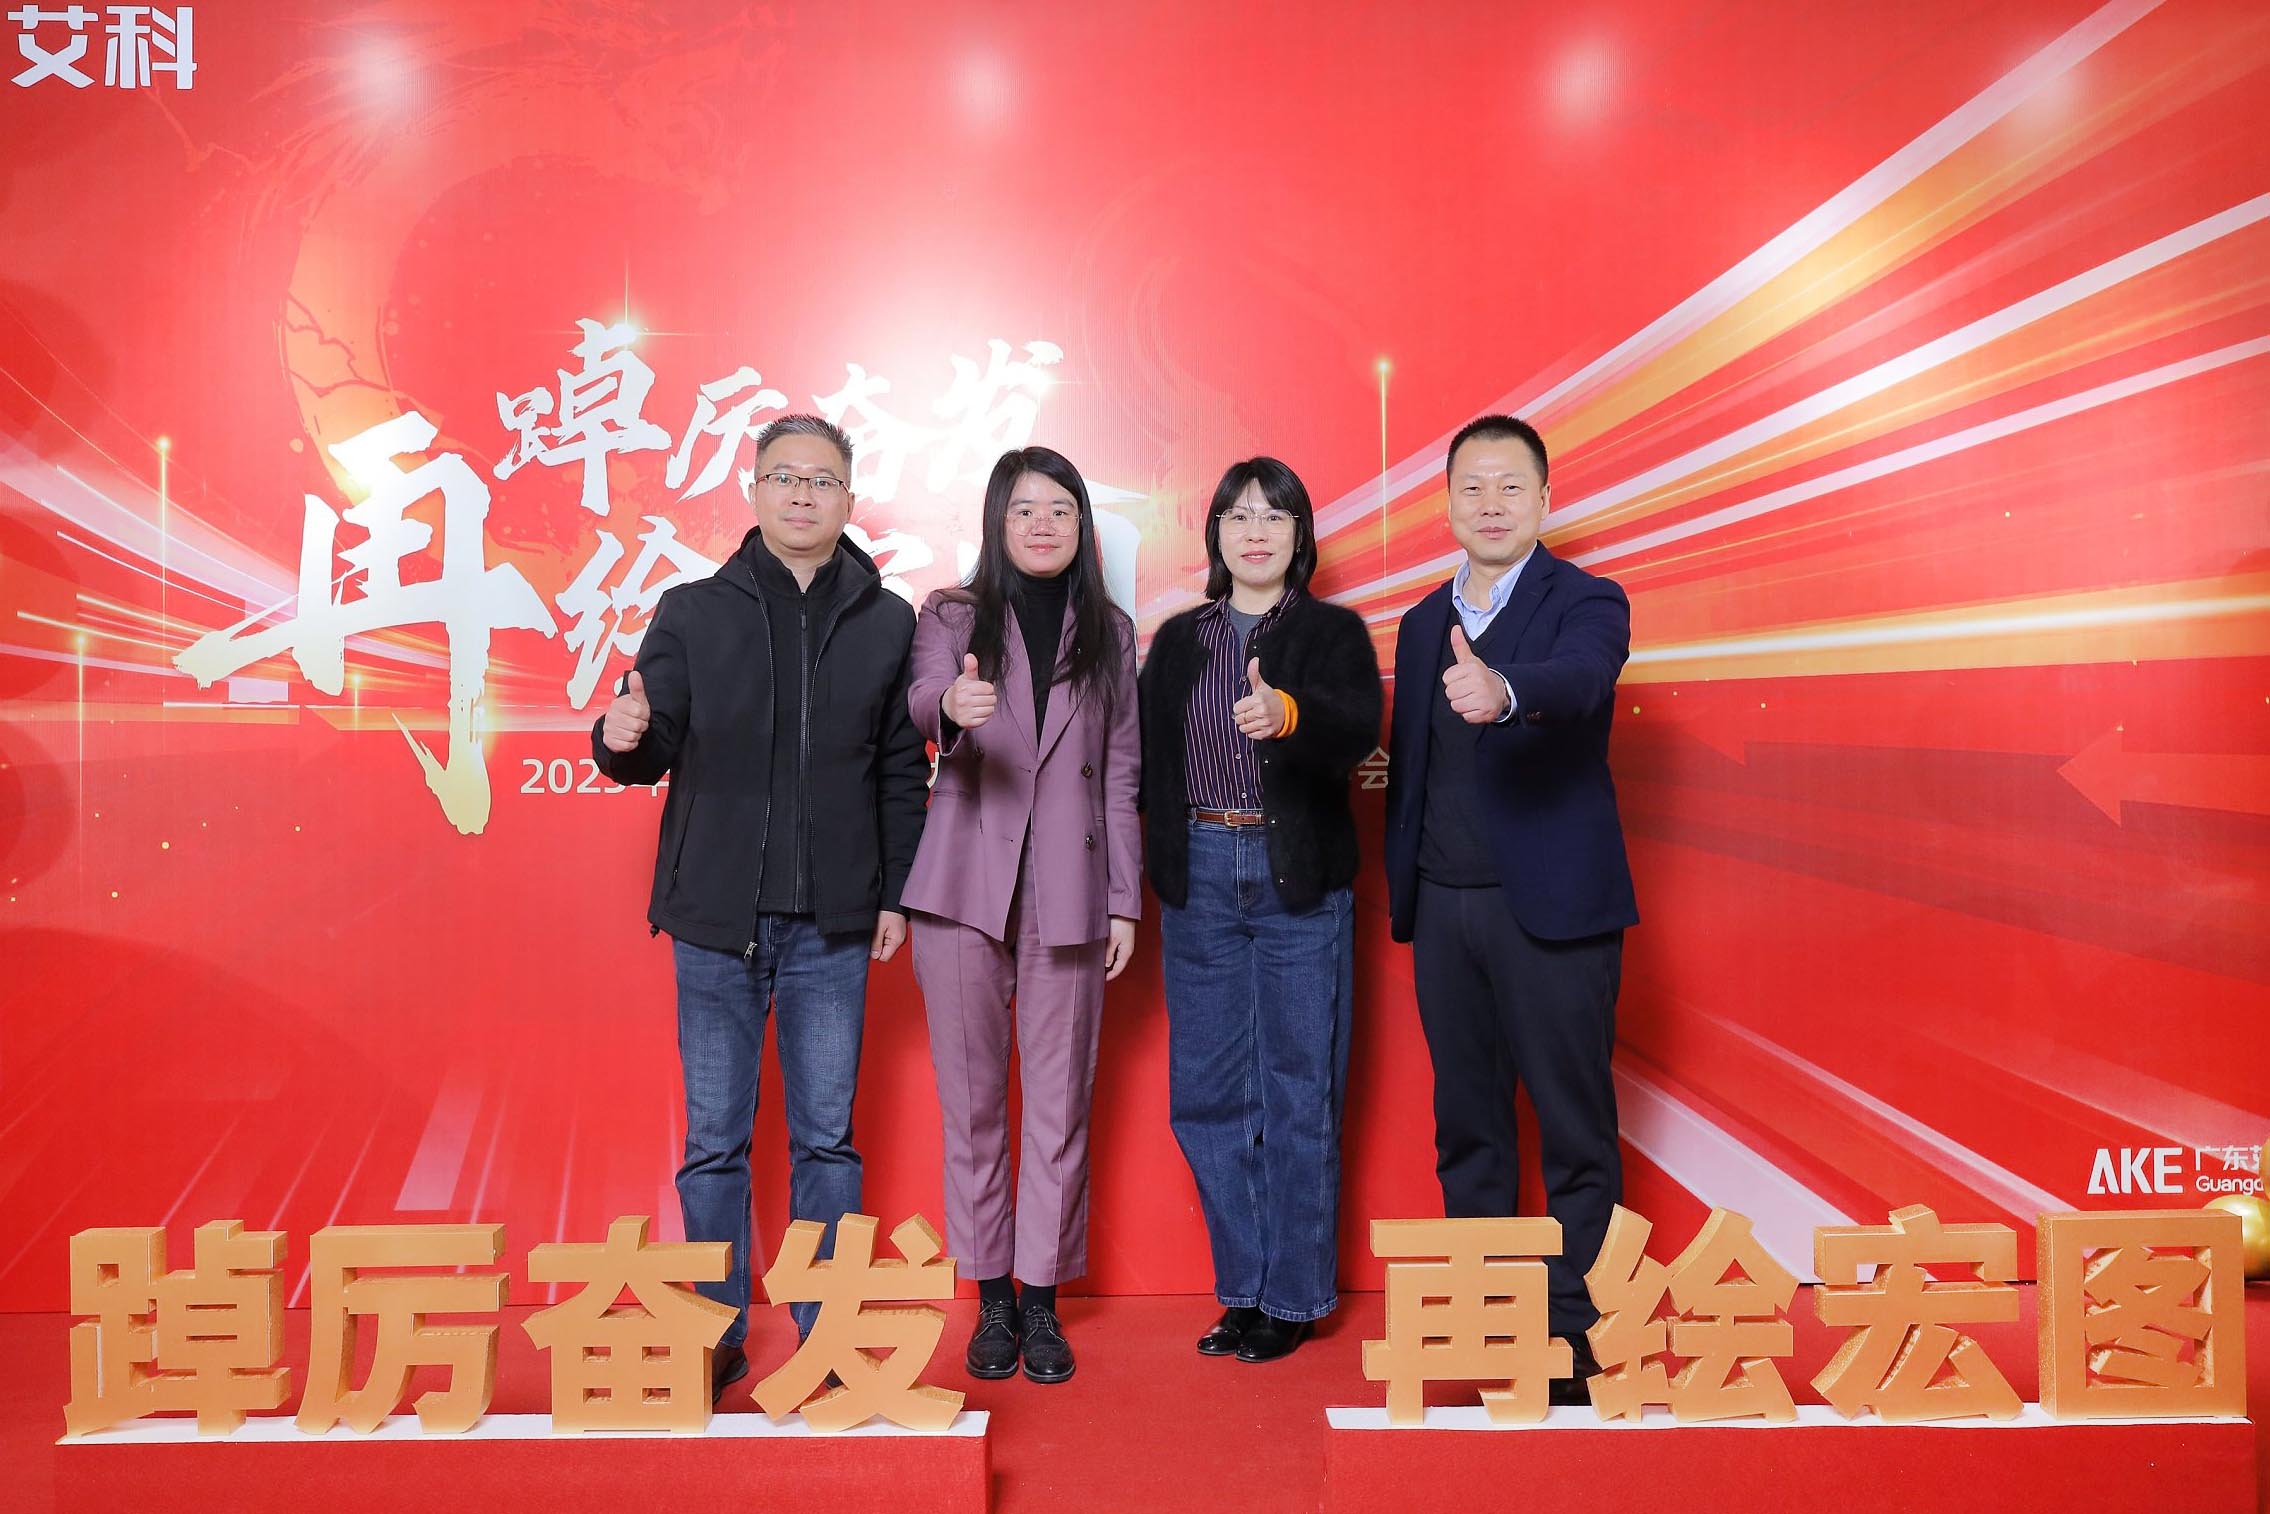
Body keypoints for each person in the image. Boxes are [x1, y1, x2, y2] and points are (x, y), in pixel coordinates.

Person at [593, 414, 929, 1403]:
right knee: (714, 1143)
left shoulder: (887, 620)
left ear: (848, 499)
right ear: (752, 492)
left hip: (833, 923)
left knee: (827, 1139)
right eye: (784, 477)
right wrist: (620, 736)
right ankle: (716, 1330)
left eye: (821, 480)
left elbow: (899, 770)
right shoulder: (693, 611)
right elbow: (648, 737)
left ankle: (827, 1331)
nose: (801, 494)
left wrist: (896, 894)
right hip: (715, 922)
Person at [1382, 413, 1639, 1404]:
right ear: (1446, 502)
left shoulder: (1588, 601)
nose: (1490, 504)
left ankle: (1574, 1336)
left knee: (1574, 1131)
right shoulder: (1419, 622)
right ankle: (1488, 1320)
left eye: (1509, 486)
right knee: (1467, 1128)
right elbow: (1414, 764)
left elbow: (1580, 681)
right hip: (1443, 908)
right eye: (1471, 487)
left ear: (1543, 499)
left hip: (1554, 913)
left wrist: (1505, 688)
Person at [900, 445, 1141, 1385]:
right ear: (997, 522)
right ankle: (991, 1295)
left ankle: (1041, 1300)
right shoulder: (950, 614)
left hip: (1071, 891)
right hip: (963, 886)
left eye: (1061, 509)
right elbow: (925, 697)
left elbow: (1120, 771)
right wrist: (952, 705)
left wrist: (1124, 899)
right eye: (1024, 509)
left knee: (1060, 1105)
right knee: (972, 1107)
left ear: (1082, 526)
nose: (1043, 524)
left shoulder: (1110, 632)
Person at [1138, 457, 1381, 1363]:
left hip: (1295, 880)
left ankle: (1294, 1296)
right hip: (1200, 869)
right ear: (1215, 533)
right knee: (1205, 1095)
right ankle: (1242, 1289)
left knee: (1298, 1090)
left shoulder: (1331, 631)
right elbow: (1144, 763)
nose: (1255, 532)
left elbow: (1358, 726)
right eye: (1238, 515)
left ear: (1298, 535)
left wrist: (1290, 715)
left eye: (1274, 516)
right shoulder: (1179, 641)